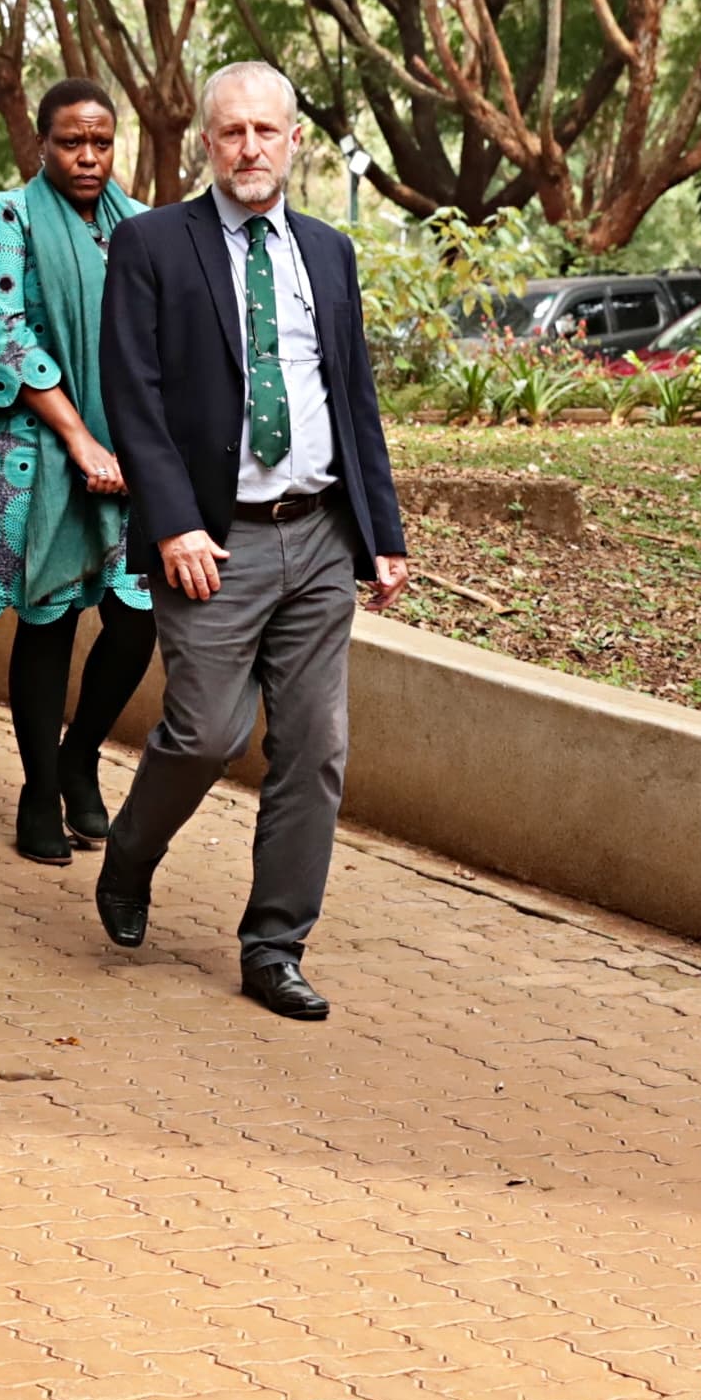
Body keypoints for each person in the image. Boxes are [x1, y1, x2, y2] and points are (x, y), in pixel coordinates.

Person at [87, 61, 409, 1022]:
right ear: (206, 142)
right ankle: (131, 854)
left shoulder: (329, 251)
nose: (249, 149)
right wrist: (175, 522)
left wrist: (381, 533)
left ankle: (275, 944)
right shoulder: (151, 245)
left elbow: (354, 400)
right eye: (231, 133)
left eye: (266, 132)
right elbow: (132, 397)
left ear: (293, 141)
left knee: (314, 747)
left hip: (317, 533)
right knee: (208, 732)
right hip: (212, 543)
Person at [0, 80, 158, 865]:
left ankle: (81, 753)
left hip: (127, 454)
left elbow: (157, 342)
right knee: (50, 616)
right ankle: (39, 790)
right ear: (42, 144)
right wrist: (79, 439)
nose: (90, 157)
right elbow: (0, 333)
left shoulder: (138, 226)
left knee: (140, 616)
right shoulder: (10, 216)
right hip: (39, 452)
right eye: (73, 141)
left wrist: (133, 449)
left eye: (102, 142)